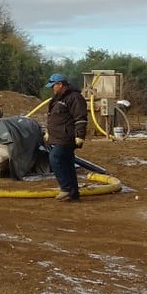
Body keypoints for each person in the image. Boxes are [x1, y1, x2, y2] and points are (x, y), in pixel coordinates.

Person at [43, 73, 88, 201]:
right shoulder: (57, 99)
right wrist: (49, 132)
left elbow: (80, 118)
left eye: (53, 86)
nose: (52, 88)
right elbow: (54, 117)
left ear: (60, 84)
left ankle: (66, 188)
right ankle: (73, 193)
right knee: (67, 163)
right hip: (57, 137)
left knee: (55, 158)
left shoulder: (74, 98)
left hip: (66, 137)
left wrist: (80, 135)